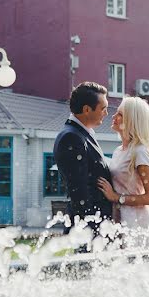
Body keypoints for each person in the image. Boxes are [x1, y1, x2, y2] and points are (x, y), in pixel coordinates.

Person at [53, 82, 113, 243]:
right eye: (103, 108)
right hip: (88, 229)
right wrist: (93, 231)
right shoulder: (72, 137)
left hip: (96, 225)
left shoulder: (82, 134)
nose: (106, 113)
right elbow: (79, 190)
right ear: (87, 110)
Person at [96, 96, 149, 229]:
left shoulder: (139, 151)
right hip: (118, 219)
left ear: (132, 120)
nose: (114, 116)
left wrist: (116, 197)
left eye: (120, 114)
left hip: (135, 223)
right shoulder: (118, 151)